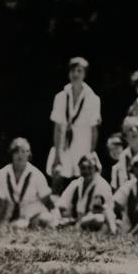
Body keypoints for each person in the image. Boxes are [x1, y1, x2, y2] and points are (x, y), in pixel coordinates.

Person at [47, 57, 102, 194]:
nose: (75, 74)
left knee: (82, 180)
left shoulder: (93, 98)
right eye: (73, 70)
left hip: (83, 141)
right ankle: (56, 210)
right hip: (64, 143)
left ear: (84, 74)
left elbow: (94, 130)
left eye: (79, 71)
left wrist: (90, 153)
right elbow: (58, 127)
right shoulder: (60, 96)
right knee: (57, 174)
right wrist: (57, 153)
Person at [0, 137, 57, 228]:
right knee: (16, 225)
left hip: (36, 214)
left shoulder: (36, 174)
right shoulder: (2, 173)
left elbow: (47, 201)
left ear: (29, 154)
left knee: (44, 219)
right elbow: (1, 203)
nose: (20, 155)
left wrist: (55, 217)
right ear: (11, 154)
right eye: (16, 151)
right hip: (15, 217)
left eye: (24, 152)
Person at [57, 153, 117, 233]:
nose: (86, 171)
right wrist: (66, 217)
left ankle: (77, 228)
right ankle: (76, 227)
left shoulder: (102, 185)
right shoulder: (75, 184)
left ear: (96, 169)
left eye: (89, 168)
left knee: (97, 219)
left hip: (95, 220)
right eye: (83, 168)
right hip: (76, 219)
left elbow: (103, 211)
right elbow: (62, 204)